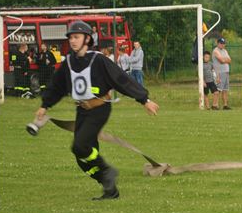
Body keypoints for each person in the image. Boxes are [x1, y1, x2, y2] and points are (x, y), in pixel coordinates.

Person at [34, 20, 159, 200]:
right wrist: (45, 105)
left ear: (87, 39)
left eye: (76, 37)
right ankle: (109, 188)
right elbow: (57, 86)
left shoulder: (98, 60)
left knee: (80, 145)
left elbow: (121, 79)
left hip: (99, 109)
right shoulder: (69, 62)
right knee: (81, 156)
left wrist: (144, 99)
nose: (72, 41)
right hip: (82, 111)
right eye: (71, 38)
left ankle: (107, 170)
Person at [212, 38, 232, 110]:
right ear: (218, 43)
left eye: (223, 43)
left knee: (225, 89)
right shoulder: (215, 51)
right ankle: (215, 105)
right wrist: (225, 59)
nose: (223, 45)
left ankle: (225, 105)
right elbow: (221, 60)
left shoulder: (225, 51)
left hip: (226, 72)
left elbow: (230, 60)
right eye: (221, 43)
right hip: (219, 73)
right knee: (218, 89)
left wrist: (224, 60)